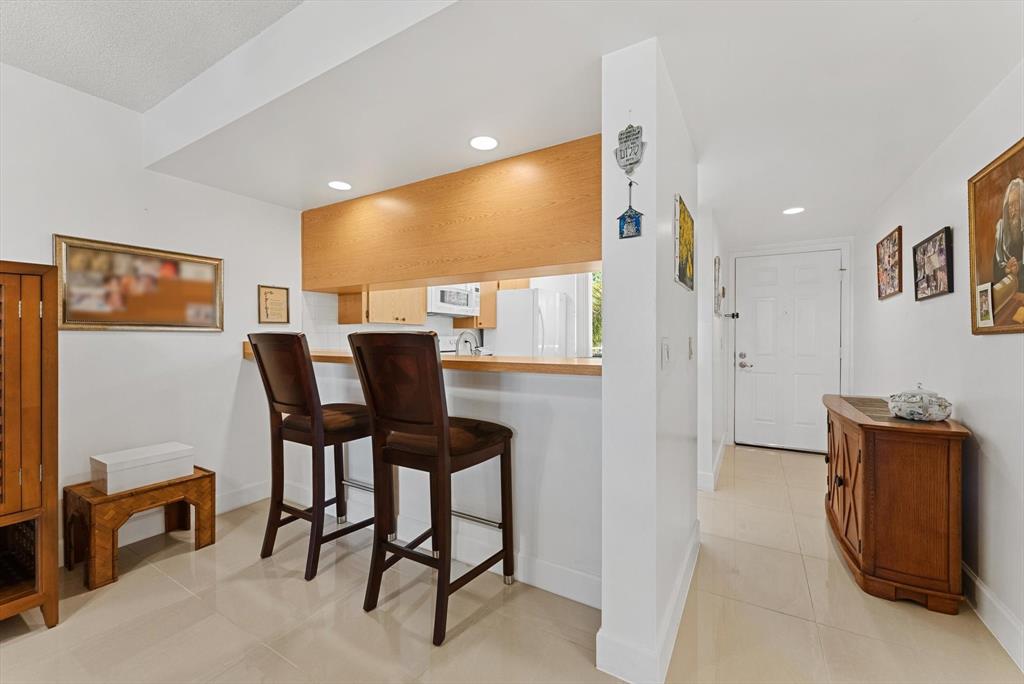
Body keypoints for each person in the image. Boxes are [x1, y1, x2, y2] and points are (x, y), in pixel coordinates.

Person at [993, 176, 1024, 293]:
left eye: (1017, 204)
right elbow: (996, 269)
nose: (1013, 210)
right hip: (1008, 293)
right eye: (1010, 205)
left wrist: (1019, 267)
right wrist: (1006, 269)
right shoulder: (1001, 230)